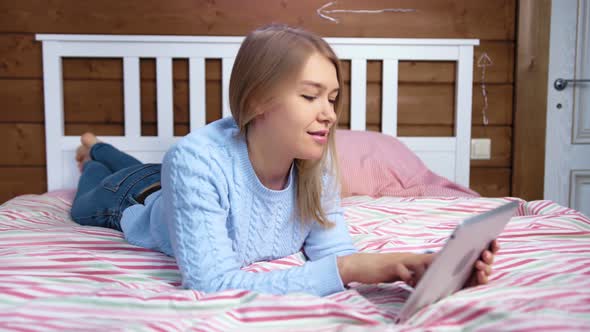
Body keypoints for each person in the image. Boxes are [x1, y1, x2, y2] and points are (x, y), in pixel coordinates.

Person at [71, 24, 499, 296]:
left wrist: (416, 266)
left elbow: (333, 252)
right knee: (99, 183)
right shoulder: (193, 160)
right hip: (131, 200)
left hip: (166, 181)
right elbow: (211, 284)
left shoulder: (316, 162)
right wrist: (355, 269)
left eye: (332, 98)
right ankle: (92, 153)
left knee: (139, 167)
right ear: (257, 100)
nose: (329, 113)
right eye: (310, 96)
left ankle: (99, 148)